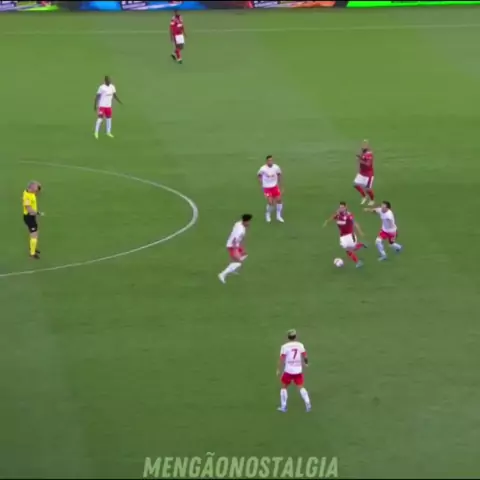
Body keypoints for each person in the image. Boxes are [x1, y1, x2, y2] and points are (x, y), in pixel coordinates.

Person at [277, 329, 311, 413]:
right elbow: (305, 356)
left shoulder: (284, 347)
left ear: (288, 337)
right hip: (298, 370)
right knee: (301, 386)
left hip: (288, 370)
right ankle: (308, 403)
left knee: (284, 387)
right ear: (295, 337)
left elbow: (281, 359)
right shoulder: (300, 345)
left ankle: (284, 406)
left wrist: (278, 369)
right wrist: (306, 363)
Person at [324, 201, 366, 267]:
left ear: (346, 207)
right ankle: (358, 261)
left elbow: (355, 223)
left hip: (350, 235)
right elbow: (333, 217)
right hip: (342, 236)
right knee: (348, 249)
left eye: (342, 207)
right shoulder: (338, 214)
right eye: (340, 207)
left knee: (351, 249)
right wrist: (327, 221)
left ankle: (360, 246)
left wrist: (360, 232)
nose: (341, 208)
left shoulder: (349, 215)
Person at [218, 214, 252, 284]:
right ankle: (222, 274)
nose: (249, 223)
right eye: (248, 221)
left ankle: (233, 268)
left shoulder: (239, 223)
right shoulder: (240, 231)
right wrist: (235, 251)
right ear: (245, 221)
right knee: (238, 262)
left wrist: (241, 248)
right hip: (232, 246)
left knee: (244, 255)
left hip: (236, 245)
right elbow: (234, 240)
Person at [257, 155, 284, 223]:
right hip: (267, 187)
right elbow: (259, 175)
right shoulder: (263, 168)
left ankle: (278, 215)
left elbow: (279, 174)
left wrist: (280, 185)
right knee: (270, 202)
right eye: (269, 160)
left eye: (271, 160)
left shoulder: (276, 167)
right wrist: (261, 184)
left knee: (279, 200)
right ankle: (268, 214)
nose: (270, 161)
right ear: (266, 161)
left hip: (274, 186)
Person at [22, 181, 43, 259]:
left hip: (32, 217)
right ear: (30, 188)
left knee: (35, 233)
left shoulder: (30, 192)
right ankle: (32, 253)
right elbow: (29, 209)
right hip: (29, 217)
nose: (36, 191)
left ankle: (32, 248)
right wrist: (38, 213)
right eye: (35, 189)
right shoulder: (27, 197)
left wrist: (38, 186)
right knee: (34, 235)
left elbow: (37, 188)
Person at [354, 140, 375, 205]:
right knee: (355, 184)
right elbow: (362, 158)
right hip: (362, 172)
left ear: (368, 147)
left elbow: (368, 164)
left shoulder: (369, 154)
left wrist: (360, 160)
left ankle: (372, 200)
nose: (363, 147)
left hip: (368, 174)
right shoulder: (363, 152)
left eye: (365, 145)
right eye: (362, 145)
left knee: (367, 189)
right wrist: (359, 157)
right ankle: (364, 196)